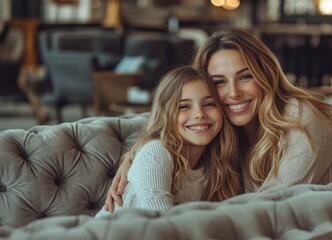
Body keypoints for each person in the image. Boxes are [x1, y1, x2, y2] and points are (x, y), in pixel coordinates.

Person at [105, 28, 332, 212]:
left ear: (266, 75)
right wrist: (138, 155)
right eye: (218, 82)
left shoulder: (300, 118)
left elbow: (273, 208)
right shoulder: (227, 131)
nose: (234, 92)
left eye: (245, 76)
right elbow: (170, 115)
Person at [95, 66, 241, 217]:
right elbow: (163, 222)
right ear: (166, 115)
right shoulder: (156, 151)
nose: (199, 114)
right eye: (184, 106)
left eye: (209, 104)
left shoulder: (215, 164)